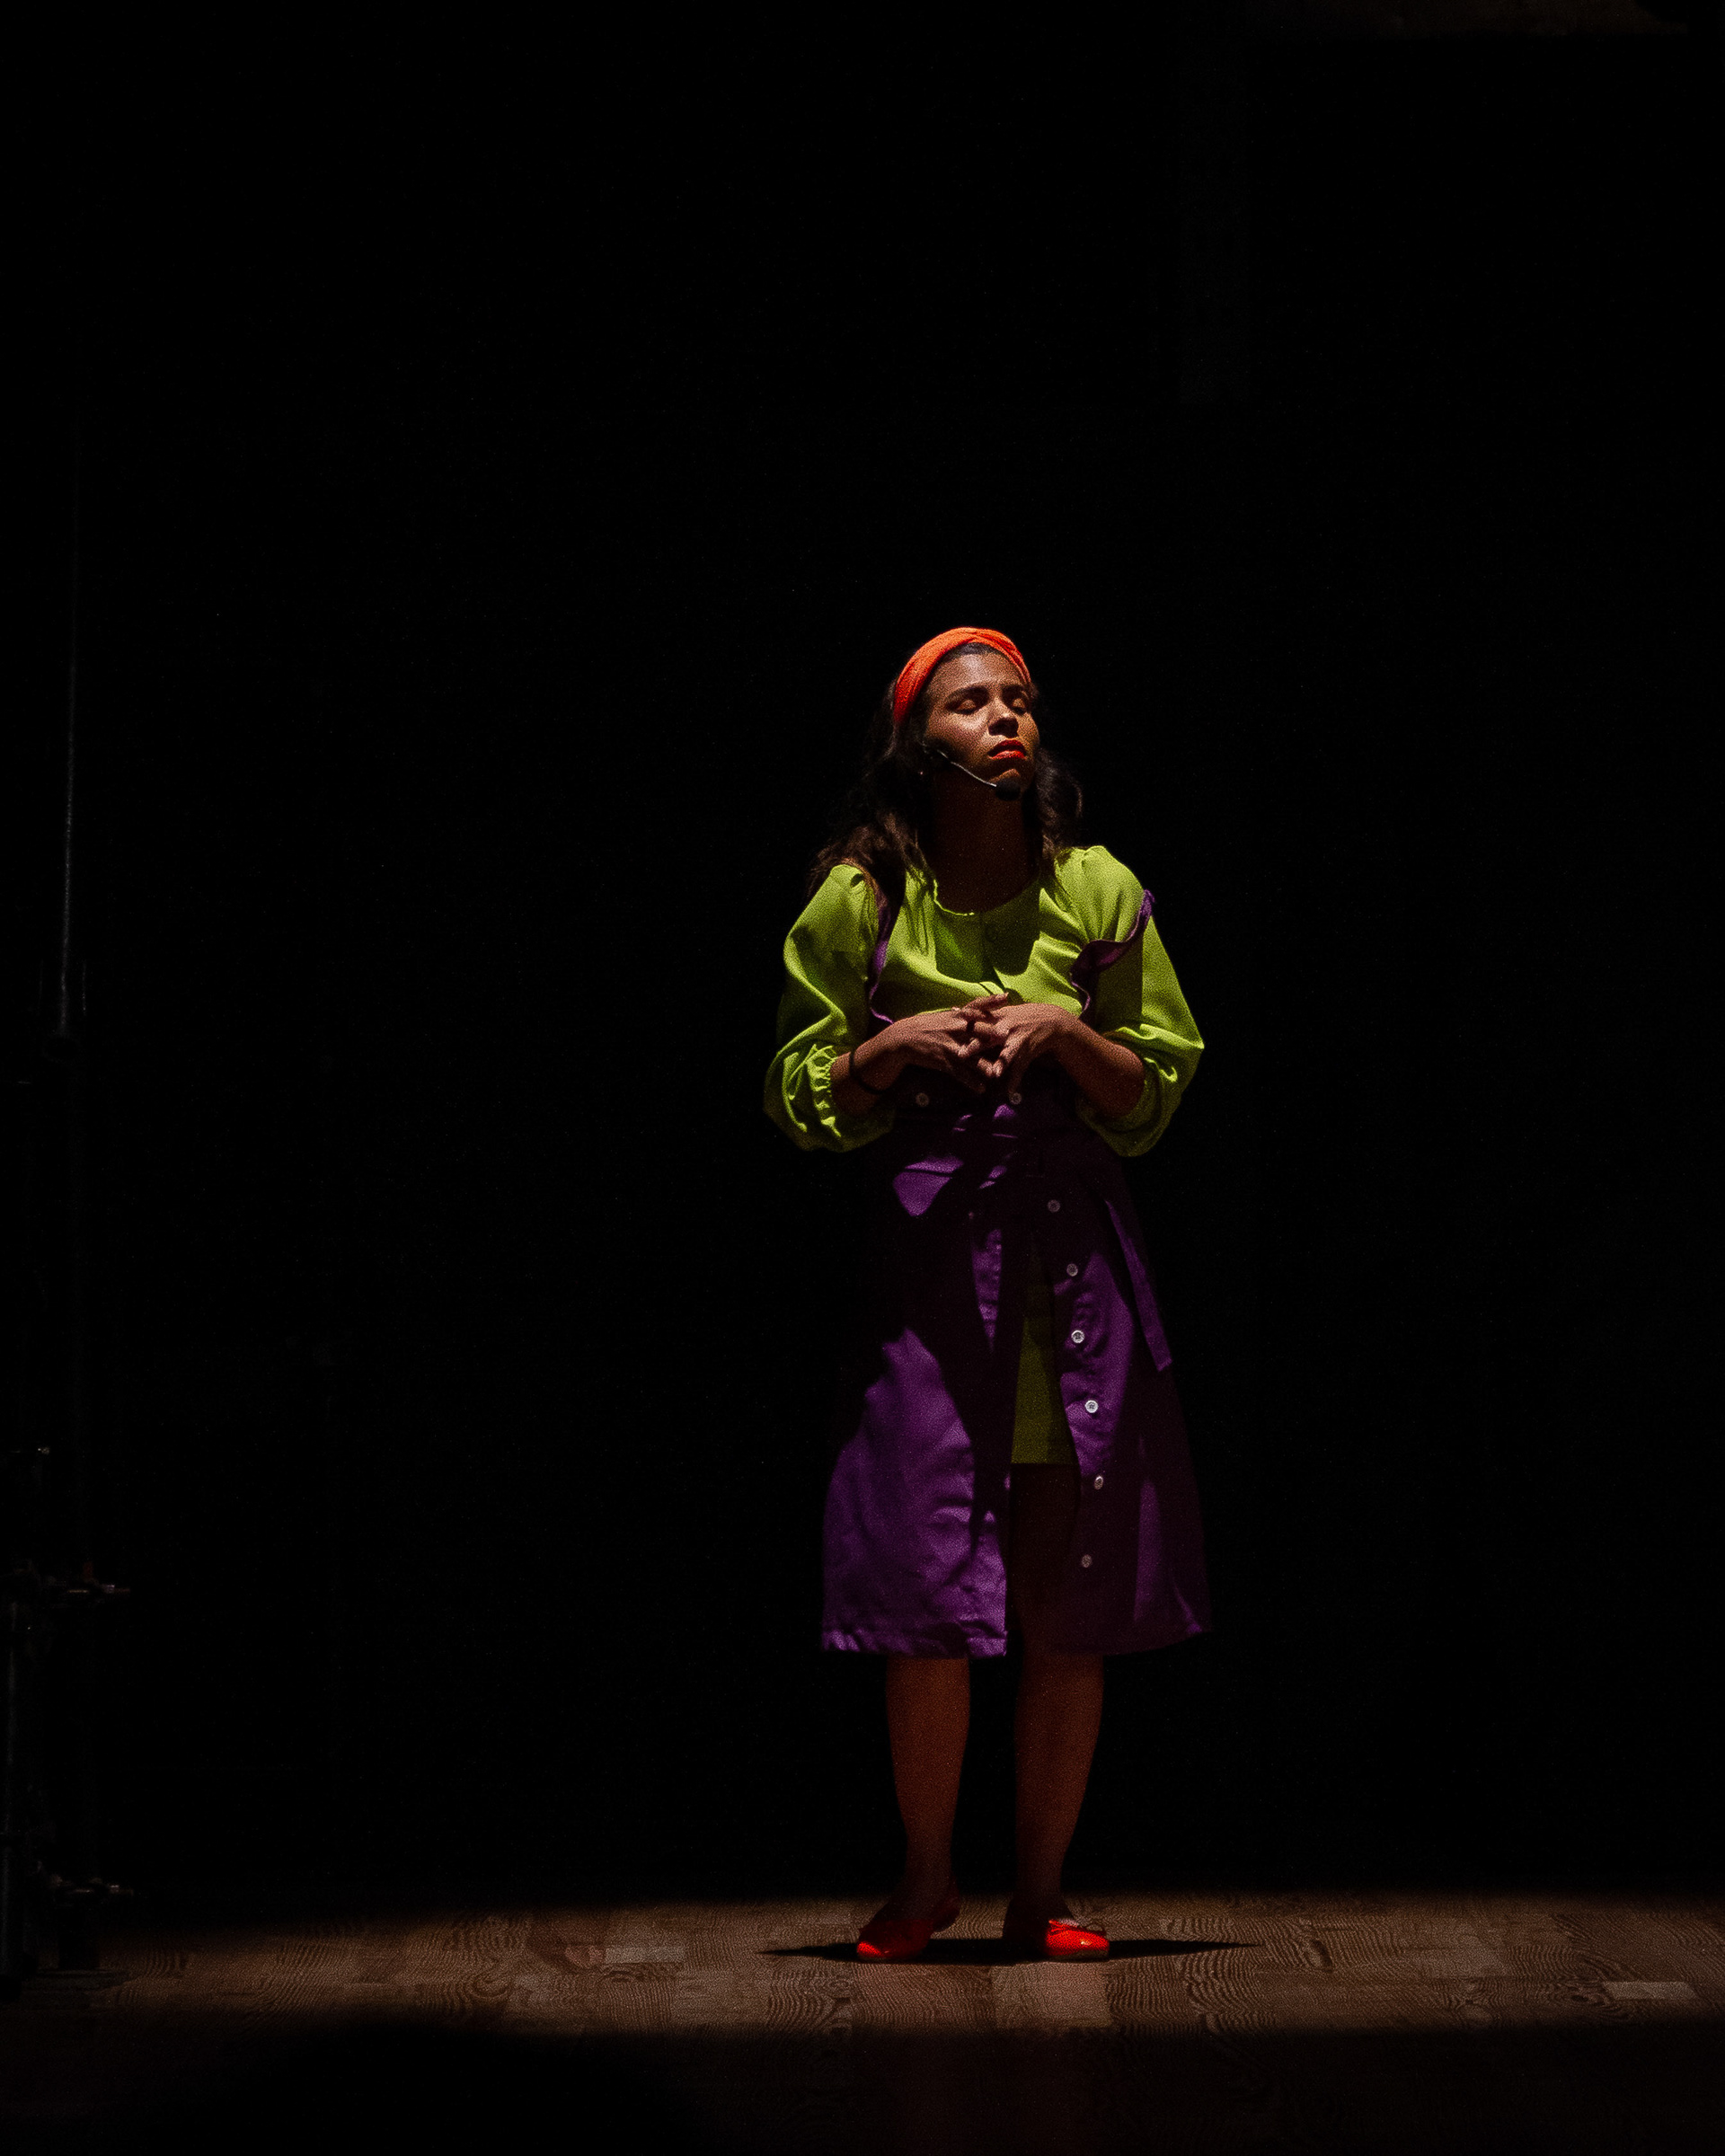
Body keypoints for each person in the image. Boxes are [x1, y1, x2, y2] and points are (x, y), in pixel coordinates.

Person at [765, 627, 1209, 1962]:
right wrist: (892, 1047)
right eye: (971, 703)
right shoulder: (860, 903)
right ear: (918, 745)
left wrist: (1065, 1032)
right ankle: (923, 1881)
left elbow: (1157, 1087)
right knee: (927, 1595)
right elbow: (795, 1093)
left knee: (1069, 1595)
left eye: (1019, 699)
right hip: (932, 1273)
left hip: (1071, 1272)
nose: (1006, 717)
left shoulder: (1096, 888)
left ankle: (1043, 1892)